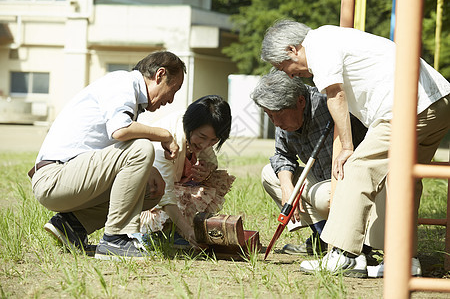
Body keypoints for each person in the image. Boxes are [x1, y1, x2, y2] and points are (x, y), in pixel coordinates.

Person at [261, 19, 450, 277]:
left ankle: (343, 254)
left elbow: (335, 95)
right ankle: (404, 259)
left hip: (408, 105)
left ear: (293, 49)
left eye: (284, 66)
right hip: (437, 100)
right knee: (398, 178)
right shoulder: (336, 39)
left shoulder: (320, 45)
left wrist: (348, 147)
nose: (289, 74)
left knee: (358, 167)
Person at [29, 51, 186, 260]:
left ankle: (72, 225)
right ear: (159, 75)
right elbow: (120, 130)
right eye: (173, 89)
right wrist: (164, 135)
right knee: (141, 147)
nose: (170, 100)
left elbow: (116, 147)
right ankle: (116, 239)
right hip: (55, 177)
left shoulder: (129, 96)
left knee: (151, 188)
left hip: (71, 177)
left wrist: (148, 169)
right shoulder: (123, 83)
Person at [251, 69, 385, 257]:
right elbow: (282, 155)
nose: (275, 122)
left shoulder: (328, 103)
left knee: (323, 196)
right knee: (270, 174)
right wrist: (287, 187)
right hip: (322, 181)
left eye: (278, 114)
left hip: (353, 185)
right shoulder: (283, 120)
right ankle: (323, 237)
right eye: (269, 115)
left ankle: (354, 242)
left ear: (300, 101)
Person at [137, 95, 234, 248]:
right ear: (190, 125)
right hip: (148, 191)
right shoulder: (168, 139)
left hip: (171, 188)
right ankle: (151, 232)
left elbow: (212, 162)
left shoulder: (200, 136)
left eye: (213, 141)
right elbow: (165, 194)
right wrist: (189, 231)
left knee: (209, 184)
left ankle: (173, 231)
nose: (205, 145)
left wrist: (207, 171)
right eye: (202, 137)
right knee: (169, 196)